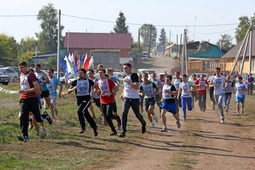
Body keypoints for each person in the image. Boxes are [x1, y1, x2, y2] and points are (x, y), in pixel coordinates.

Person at [18, 61, 52, 142]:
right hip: (24, 99)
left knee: (38, 119)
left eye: (21, 68)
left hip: (32, 99)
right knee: (23, 117)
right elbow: (23, 87)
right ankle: (25, 136)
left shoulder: (31, 75)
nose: (20, 70)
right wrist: (21, 98)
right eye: (19, 68)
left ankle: (45, 116)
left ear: (26, 67)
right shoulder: (21, 75)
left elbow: (36, 87)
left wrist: (26, 91)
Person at [68, 68, 98, 136]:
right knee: (86, 114)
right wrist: (73, 89)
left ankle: (83, 127)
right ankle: (94, 127)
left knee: (79, 111)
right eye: (79, 73)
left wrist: (92, 95)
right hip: (79, 100)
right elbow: (68, 91)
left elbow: (96, 87)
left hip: (87, 99)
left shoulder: (89, 81)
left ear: (84, 74)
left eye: (81, 73)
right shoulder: (75, 81)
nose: (79, 74)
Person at [119, 63, 146, 137]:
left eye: (126, 68)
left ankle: (143, 123)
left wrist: (129, 82)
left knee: (137, 114)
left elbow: (136, 86)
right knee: (124, 113)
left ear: (130, 68)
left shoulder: (133, 75)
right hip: (126, 97)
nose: (125, 69)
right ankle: (123, 131)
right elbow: (125, 87)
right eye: (124, 68)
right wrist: (122, 93)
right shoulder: (124, 76)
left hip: (134, 98)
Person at [95, 69, 121, 135]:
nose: (100, 74)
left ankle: (117, 118)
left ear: (104, 73)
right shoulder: (98, 82)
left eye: (101, 73)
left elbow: (116, 88)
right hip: (103, 101)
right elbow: (98, 91)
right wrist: (98, 92)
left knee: (108, 115)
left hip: (110, 100)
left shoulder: (109, 81)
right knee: (106, 117)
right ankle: (114, 131)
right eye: (99, 73)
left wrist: (111, 93)